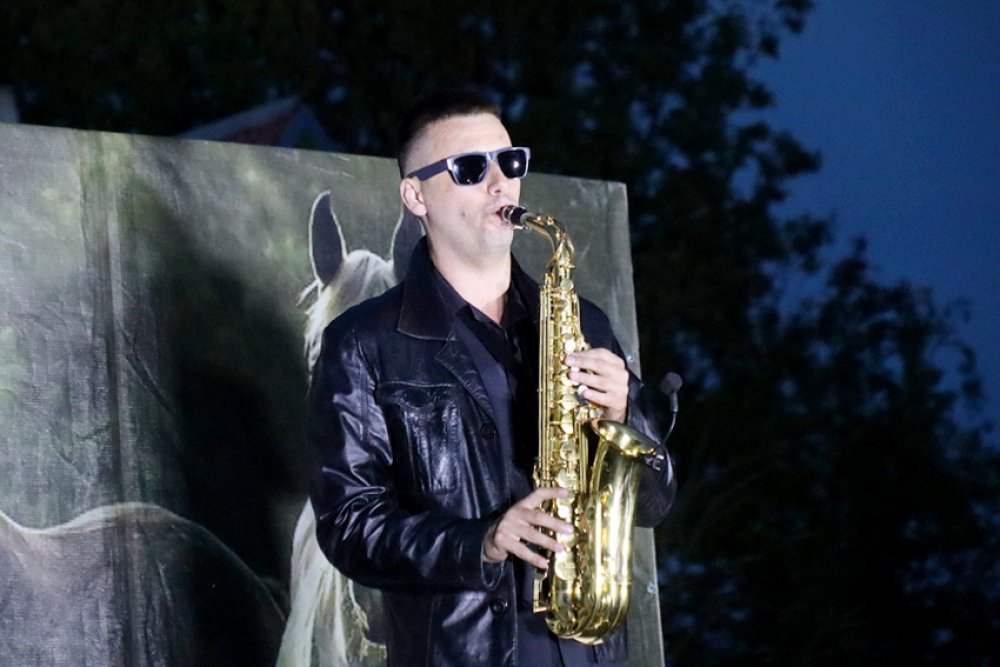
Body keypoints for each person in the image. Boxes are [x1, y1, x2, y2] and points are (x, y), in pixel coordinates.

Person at [308, 89, 676, 667]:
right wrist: (482, 540)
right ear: (416, 196)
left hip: (588, 648)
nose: (501, 183)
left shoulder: (585, 323)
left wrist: (627, 414)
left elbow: (653, 504)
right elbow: (350, 527)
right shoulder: (362, 342)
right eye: (471, 168)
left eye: (510, 162)